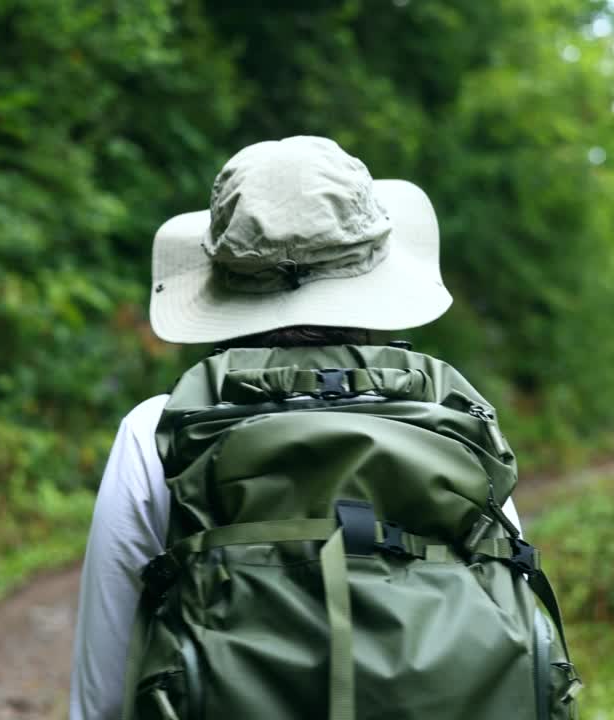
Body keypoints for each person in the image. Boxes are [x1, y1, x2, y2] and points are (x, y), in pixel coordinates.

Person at [69, 136, 525, 720]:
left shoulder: (157, 433)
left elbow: (106, 693)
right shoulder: (455, 423)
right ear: (374, 273)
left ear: (220, 279)